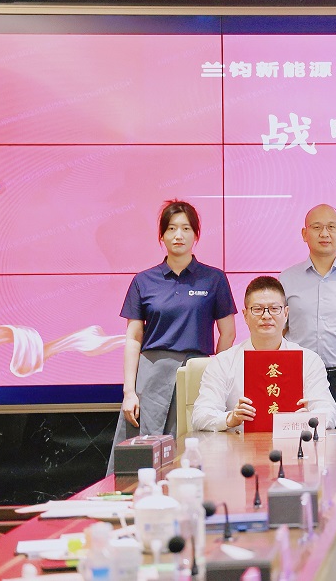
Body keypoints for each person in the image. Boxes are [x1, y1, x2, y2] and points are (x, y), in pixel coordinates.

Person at [108, 200, 236, 474]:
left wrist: (216, 374)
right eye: (171, 228)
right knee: (144, 453)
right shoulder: (144, 281)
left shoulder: (214, 279)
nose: (179, 235)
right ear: (162, 235)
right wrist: (129, 391)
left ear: (196, 234)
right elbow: (133, 338)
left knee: (193, 447)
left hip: (197, 372)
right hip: (151, 376)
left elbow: (228, 333)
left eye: (186, 228)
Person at [192, 276, 336, 431]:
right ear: (245, 316)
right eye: (257, 309)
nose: (266, 316)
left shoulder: (308, 360)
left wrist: (309, 419)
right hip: (239, 444)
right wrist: (230, 418)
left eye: (274, 309)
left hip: (293, 444)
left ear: (286, 313)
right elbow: (200, 416)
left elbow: (328, 412)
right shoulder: (224, 362)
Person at [279, 204, 336, 428]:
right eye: (316, 227)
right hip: (298, 375)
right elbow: (279, 333)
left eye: (331, 227)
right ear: (304, 234)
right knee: (297, 437)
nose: (324, 234)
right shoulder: (287, 278)